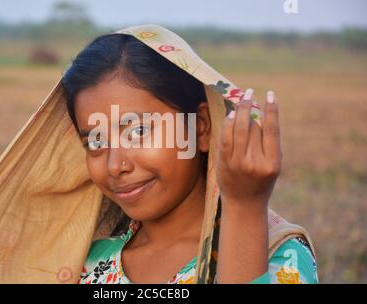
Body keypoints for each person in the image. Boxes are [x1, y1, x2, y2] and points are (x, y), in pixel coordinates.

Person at [61, 29, 318, 284]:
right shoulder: (86, 265)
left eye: (138, 131)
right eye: (96, 142)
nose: (115, 166)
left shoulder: (280, 257)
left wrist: (244, 208)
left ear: (201, 127)